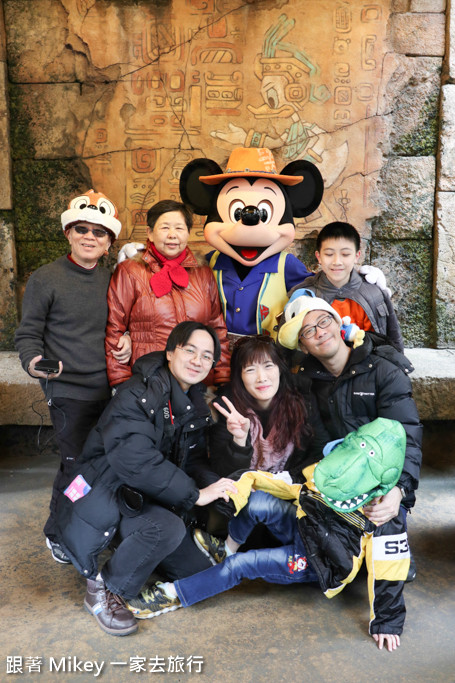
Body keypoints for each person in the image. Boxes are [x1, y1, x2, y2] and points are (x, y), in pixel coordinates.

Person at [127, 417, 410, 653]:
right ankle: (226, 549)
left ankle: (173, 594)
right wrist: (237, 492)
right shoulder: (327, 465)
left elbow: (390, 569)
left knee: (242, 566)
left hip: (319, 561)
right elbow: (281, 482)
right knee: (258, 502)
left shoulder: (385, 512)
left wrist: (387, 621)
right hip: (303, 525)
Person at [53, 321, 238, 637]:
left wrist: (219, 486)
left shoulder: (193, 401)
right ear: (170, 353)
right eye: (190, 350)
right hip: (107, 491)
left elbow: (193, 461)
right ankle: (106, 589)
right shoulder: (137, 394)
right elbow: (135, 460)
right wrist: (195, 495)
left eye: (207, 356)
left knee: (198, 572)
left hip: (144, 496)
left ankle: (135, 548)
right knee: (166, 528)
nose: (198, 360)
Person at [14, 190, 131, 564]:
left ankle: (91, 528)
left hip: (108, 388)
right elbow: (28, 334)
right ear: (68, 233)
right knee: (76, 464)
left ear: (109, 242)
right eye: (82, 229)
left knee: (103, 463)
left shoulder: (112, 280)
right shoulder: (46, 278)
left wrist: (127, 339)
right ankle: (58, 532)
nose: (89, 237)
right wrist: (35, 362)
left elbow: (123, 323)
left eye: (99, 232)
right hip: (67, 390)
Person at [105, 199, 230, 387]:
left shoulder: (203, 273)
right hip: (149, 380)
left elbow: (217, 328)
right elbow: (115, 328)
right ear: (150, 233)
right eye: (165, 228)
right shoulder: (130, 271)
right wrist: (120, 382)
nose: (172, 235)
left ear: (188, 232)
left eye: (179, 228)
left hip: (198, 380)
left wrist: (222, 377)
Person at [290, 221, 404, 351]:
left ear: (357, 256)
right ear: (318, 257)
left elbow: (394, 340)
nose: (337, 262)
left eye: (345, 254)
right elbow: (289, 347)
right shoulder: (304, 296)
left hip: (371, 361)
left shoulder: (374, 293)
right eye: (329, 254)